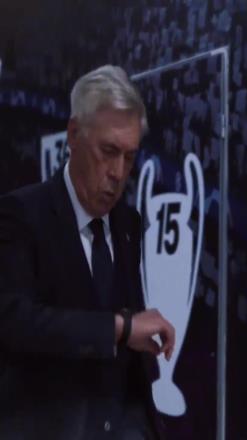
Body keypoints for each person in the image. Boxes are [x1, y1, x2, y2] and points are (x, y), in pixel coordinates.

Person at [0, 65, 175, 439]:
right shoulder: (21, 214)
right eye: (108, 152)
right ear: (74, 135)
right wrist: (121, 327)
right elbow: (15, 323)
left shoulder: (128, 224)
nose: (118, 172)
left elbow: (126, 365)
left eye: (129, 157)